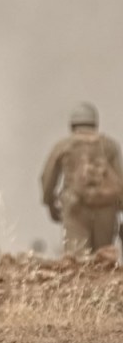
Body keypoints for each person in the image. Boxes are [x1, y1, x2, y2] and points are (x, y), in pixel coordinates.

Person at [40, 102, 123, 256]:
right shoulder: (110, 146)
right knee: (104, 259)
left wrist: (50, 204)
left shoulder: (64, 146)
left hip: (75, 208)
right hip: (106, 209)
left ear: (72, 124)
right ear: (95, 123)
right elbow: (119, 181)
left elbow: (47, 177)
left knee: (77, 260)